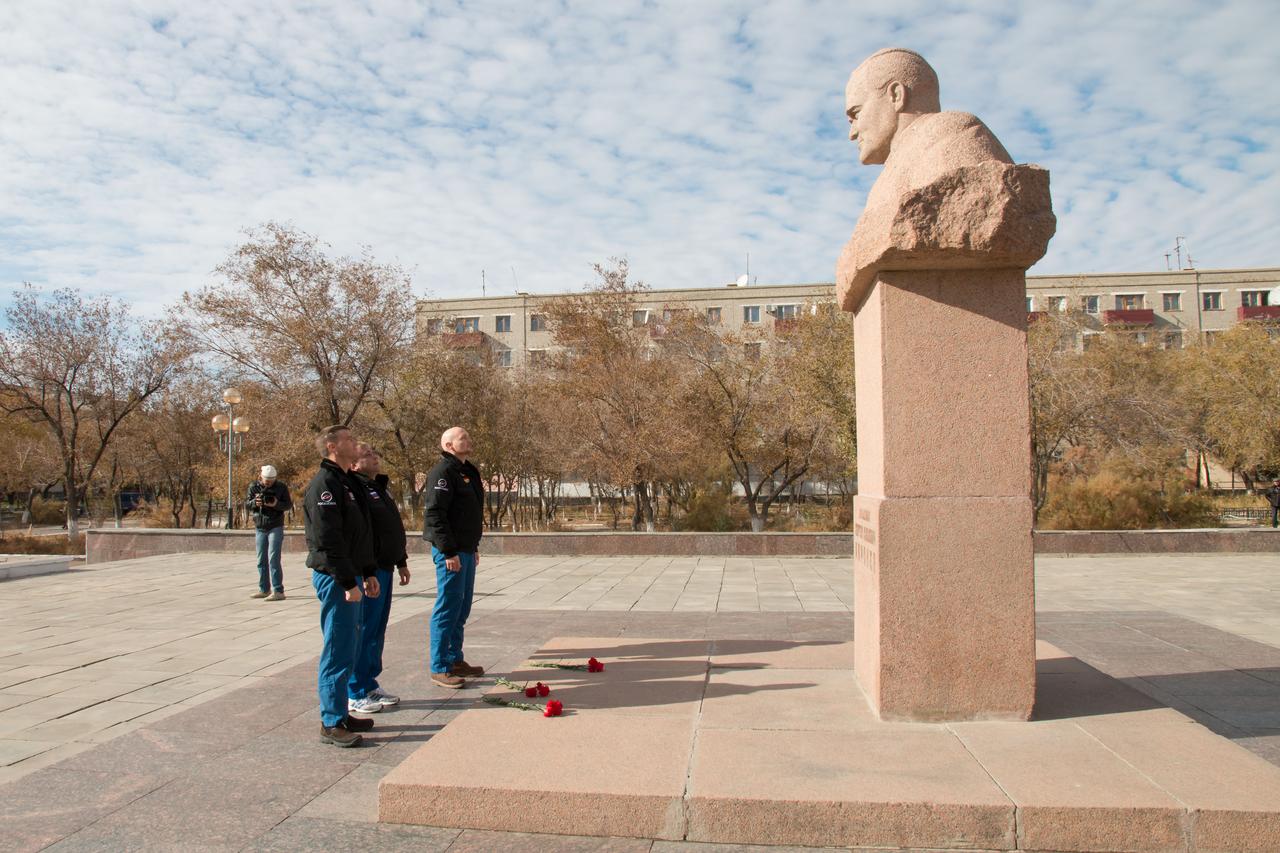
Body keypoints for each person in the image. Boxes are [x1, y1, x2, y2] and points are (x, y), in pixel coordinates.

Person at [304, 424, 381, 747]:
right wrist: (348, 581)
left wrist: (368, 572)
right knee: (337, 647)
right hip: (336, 578)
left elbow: (358, 534)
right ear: (333, 447)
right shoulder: (325, 484)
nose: (356, 443)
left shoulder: (346, 481)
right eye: (349, 439)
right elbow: (328, 539)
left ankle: (340, 712)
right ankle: (331, 721)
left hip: (352, 575)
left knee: (349, 645)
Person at [347, 443, 410, 715]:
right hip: (368, 570)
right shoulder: (356, 489)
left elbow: (391, 528)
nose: (374, 457)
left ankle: (369, 683)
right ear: (353, 464)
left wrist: (401, 561)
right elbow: (362, 533)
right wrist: (366, 570)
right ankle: (355, 691)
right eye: (367, 455)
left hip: (384, 567)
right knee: (363, 630)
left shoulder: (379, 487)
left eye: (375, 453)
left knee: (376, 630)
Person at [423, 426, 485, 689]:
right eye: (463, 438)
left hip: (466, 549)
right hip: (451, 552)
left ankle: (455, 659)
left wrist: (473, 546)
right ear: (448, 445)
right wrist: (448, 551)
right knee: (448, 607)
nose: (468, 439)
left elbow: (468, 513)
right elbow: (435, 515)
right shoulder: (443, 472)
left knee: (462, 608)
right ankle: (440, 666)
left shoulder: (467, 470)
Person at [246, 464, 292, 601]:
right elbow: (247, 504)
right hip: (260, 526)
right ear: (261, 477)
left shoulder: (281, 487)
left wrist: (276, 504)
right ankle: (264, 589)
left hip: (275, 526)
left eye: (272, 481)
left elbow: (288, 504)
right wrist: (256, 502)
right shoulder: (253, 487)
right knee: (261, 560)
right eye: (267, 481)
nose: (269, 483)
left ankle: (278, 590)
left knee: (273, 559)